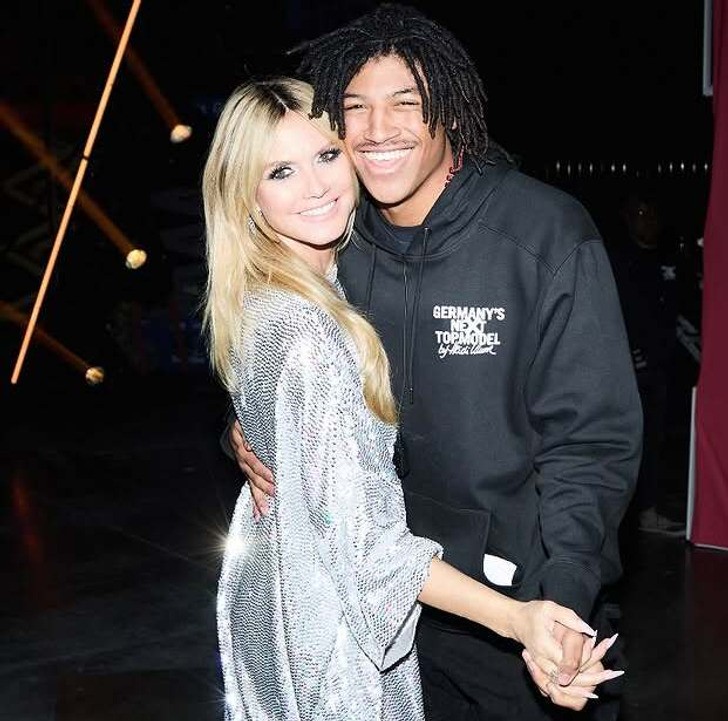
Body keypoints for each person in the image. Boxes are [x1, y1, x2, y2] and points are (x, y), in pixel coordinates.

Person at [226, 5, 642, 720]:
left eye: (406, 102)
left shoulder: (542, 234)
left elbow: (591, 442)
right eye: (355, 107)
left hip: (518, 614)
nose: (377, 128)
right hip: (385, 627)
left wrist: (564, 599)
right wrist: (248, 433)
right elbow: (292, 372)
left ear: (449, 107)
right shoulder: (336, 236)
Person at [607, 185, 685, 537]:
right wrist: (627, 354)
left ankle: (649, 510)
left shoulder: (671, 259)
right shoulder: (619, 261)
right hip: (630, 373)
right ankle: (635, 515)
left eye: (652, 213)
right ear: (627, 218)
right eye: (640, 214)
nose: (648, 220)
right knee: (632, 442)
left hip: (665, 368)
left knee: (659, 440)